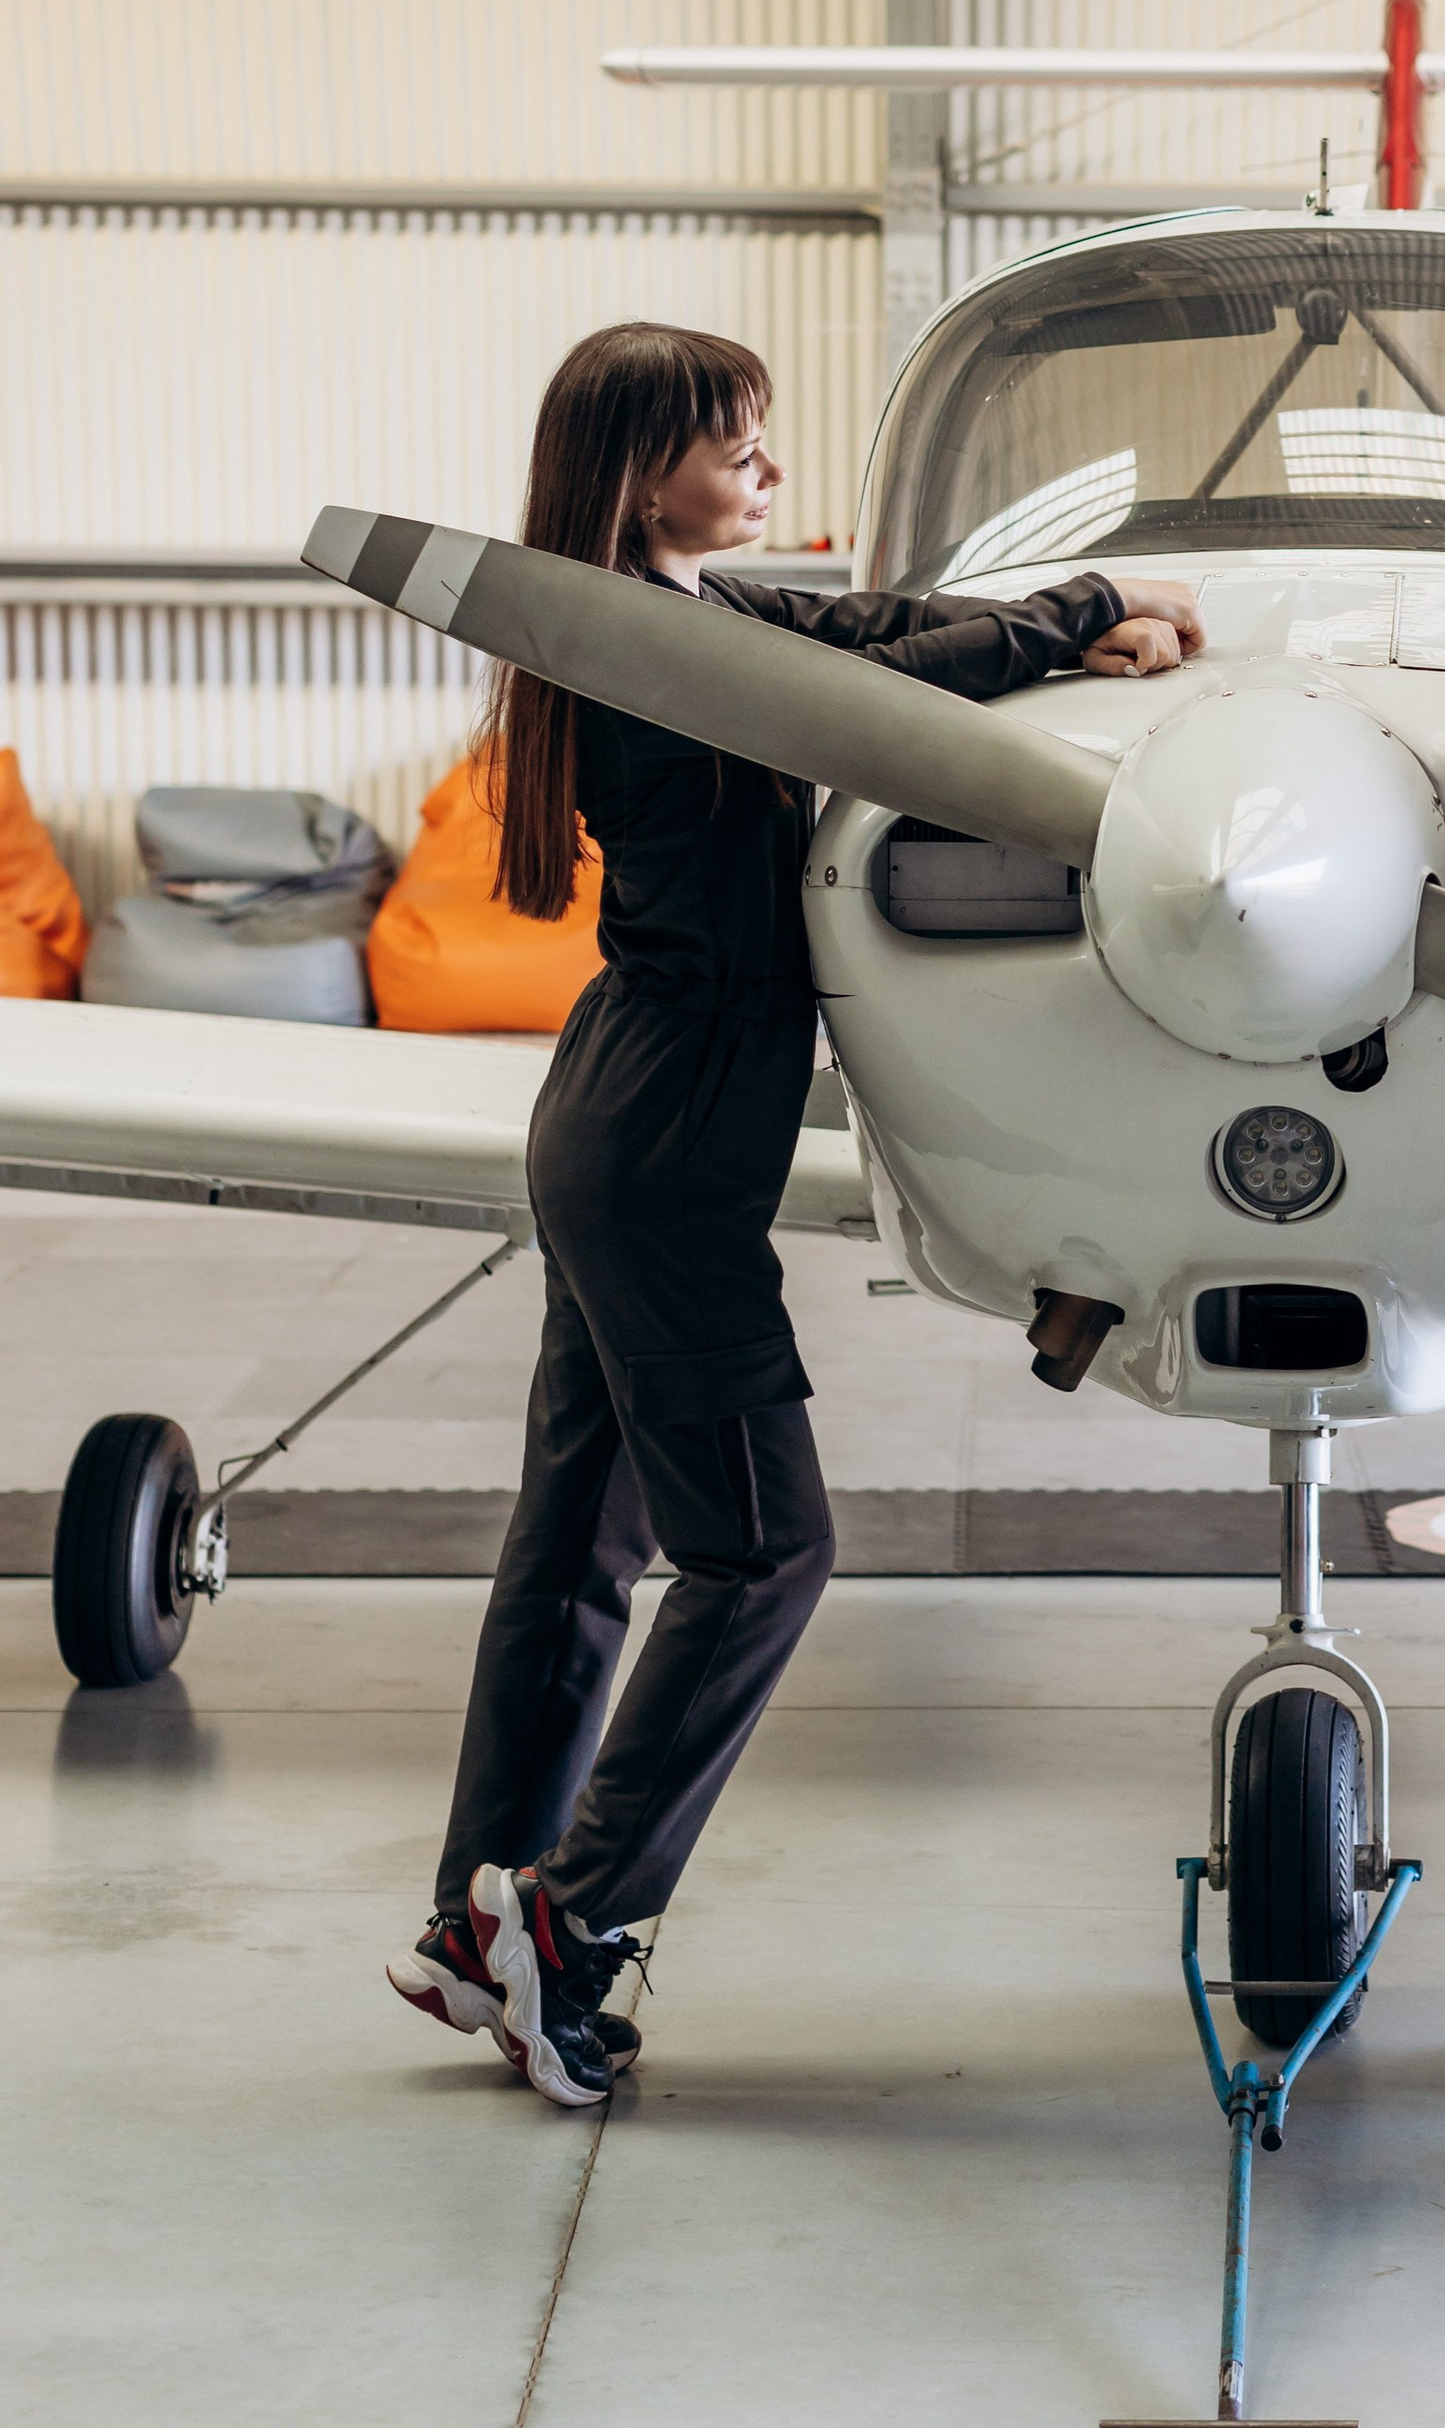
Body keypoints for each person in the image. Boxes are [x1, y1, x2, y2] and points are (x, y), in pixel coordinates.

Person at [389, 322, 1199, 2106]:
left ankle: (473, 1921)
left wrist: (1060, 629)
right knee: (764, 1553)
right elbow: (873, 692)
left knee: (581, 1545)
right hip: (666, 1147)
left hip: (620, 1116)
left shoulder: (665, 609)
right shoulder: (643, 643)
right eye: (733, 443)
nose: (766, 466)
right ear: (639, 476)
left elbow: (869, 631)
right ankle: (570, 1929)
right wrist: (1091, 605)